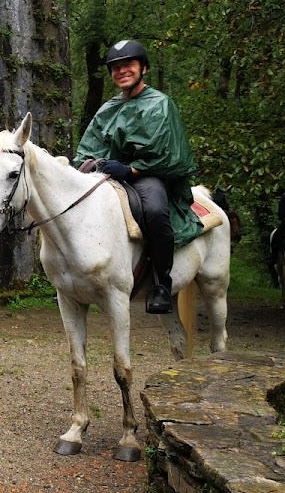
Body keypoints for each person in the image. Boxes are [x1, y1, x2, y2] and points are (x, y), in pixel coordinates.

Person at [75, 39, 199, 315]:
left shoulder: (160, 104)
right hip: (107, 175)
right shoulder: (108, 108)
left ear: (143, 68)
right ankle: (76, 279)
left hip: (146, 176)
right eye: (116, 68)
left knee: (155, 211)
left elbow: (168, 153)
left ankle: (162, 284)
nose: (122, 71)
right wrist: (87, 166)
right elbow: (89, 146)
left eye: (128, 65)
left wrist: (131, 169)